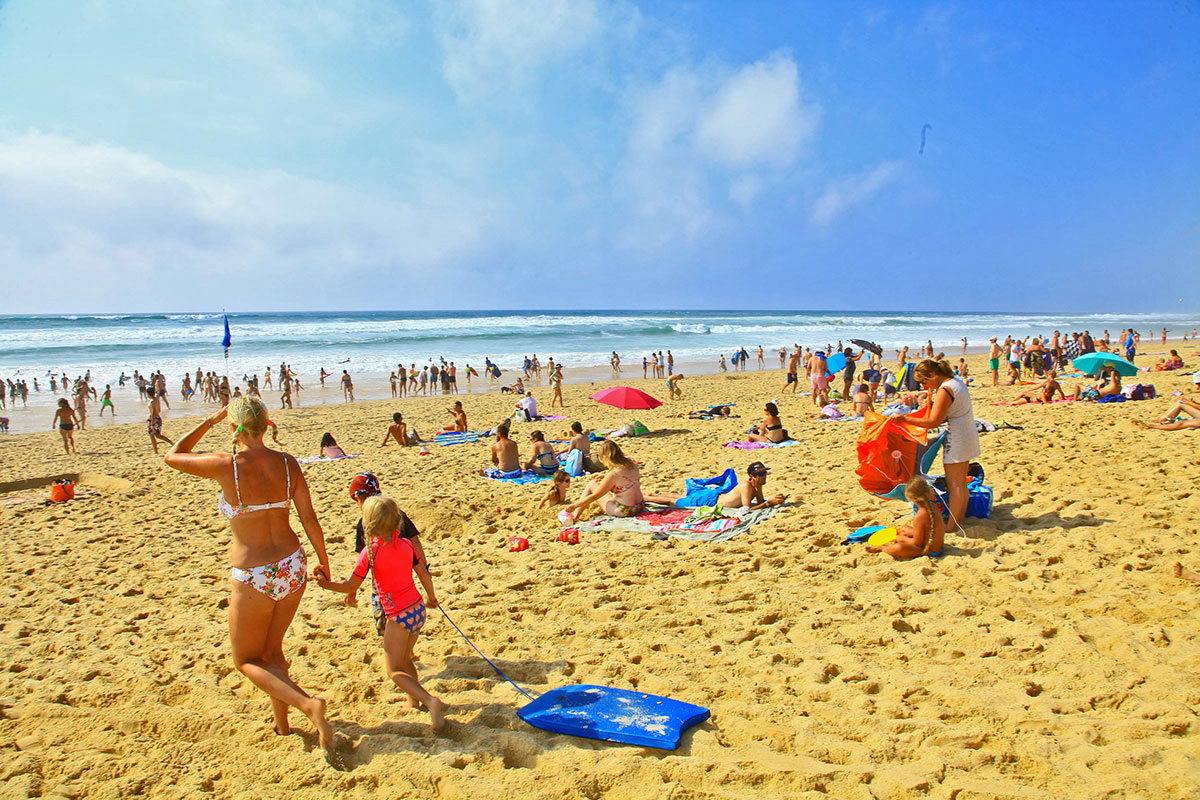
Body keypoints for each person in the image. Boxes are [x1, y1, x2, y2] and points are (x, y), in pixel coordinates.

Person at [163, 397, 334, 750]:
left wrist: (210, 421)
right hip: (292, 564)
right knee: (272, 651)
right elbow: (309, 517)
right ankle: (281, 725)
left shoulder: (228, 465)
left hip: (254, 572)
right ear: (266, 424)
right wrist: (323, 560)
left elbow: (173, 454)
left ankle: (308, 704)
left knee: (245, 660)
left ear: (233, 426)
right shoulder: (287, 463)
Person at [315, 495, 444, 732]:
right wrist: (431, 597)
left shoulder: (370, 553)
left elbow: (350, 587)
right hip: (417, 610)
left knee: (393, 670)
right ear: (397, 523)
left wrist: (325, 585)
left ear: (368, 524)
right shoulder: (406, 544)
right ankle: (413, 700)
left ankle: (429, 700)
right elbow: (423, 573)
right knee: (405, 659)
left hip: (398, 616)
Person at [891, 359, 981, 532]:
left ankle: (953, 525)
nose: (925, 386)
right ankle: (959, 520)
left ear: (933, 375)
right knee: (961, 483)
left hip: (958, 437)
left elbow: (933, 421)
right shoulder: (956, 382)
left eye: (925, 381)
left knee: (954, 484)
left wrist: (904, 419)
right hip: (967, 433)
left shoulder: (945, 389)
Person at [644, 462, 786, 510]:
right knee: (674, 502)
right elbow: (747, 509)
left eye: (764, 473)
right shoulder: (746, 486)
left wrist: (773, 500)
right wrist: (769, 503)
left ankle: (654, 496)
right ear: (751, 476)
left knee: (684, 497)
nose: (764, 476)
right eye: (760, 474)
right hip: (711, 500)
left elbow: (761, 502)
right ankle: (645, 498)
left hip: (713, 496)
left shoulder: (757, 485)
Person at [865, 476, 945, 559]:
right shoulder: (932, 507)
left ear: (909, 497)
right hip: (938, 546)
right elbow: (925, 530)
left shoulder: (920, 515)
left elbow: (916, 544)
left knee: (899, 548)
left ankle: (883, 548)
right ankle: (901, 537)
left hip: (930, 551)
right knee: (905, 528)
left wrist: (902, 539)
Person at [563, 441, 643, 518]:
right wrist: (605, 476)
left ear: (605, 457)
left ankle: (575, 516)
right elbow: (626, 479)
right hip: (639, 506)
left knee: (591, 485)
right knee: (615, 494)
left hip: (625, 510)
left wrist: (575, 505)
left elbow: (595, 496)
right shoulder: (632, 465)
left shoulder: (613, 474)